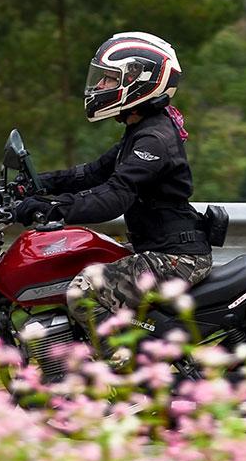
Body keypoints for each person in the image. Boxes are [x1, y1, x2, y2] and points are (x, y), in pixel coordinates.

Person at [12, 31, 212, 342]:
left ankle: (117, 365)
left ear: (139, 82)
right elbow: (92, 173)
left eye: (109, 79)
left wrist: (52, 208)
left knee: (83, 292)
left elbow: (113, 197)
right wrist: (38, 184)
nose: (100, 86)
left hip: (177, 259)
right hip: (158, 248)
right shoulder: (141, 130)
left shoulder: (153, 139)